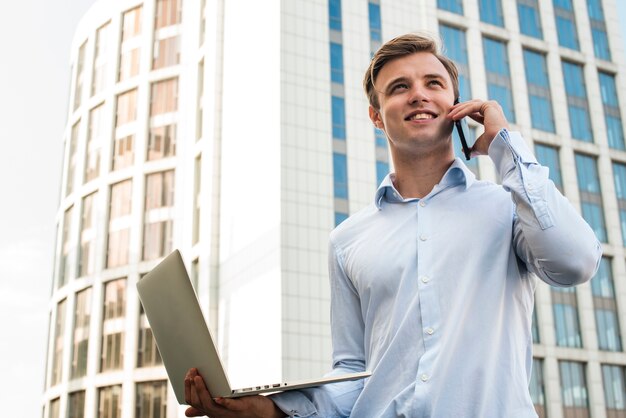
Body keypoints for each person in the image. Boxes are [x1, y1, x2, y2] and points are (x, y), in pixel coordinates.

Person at [184, 33, 602, 417]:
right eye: (400, 87)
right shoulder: (347, 240)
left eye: (434, 84)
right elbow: (354, 372)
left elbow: (575, 262)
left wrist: (505, 145)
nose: (418, 95)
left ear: (457, 106)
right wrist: (275, 411)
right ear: (377, 116)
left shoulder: (507, 207)